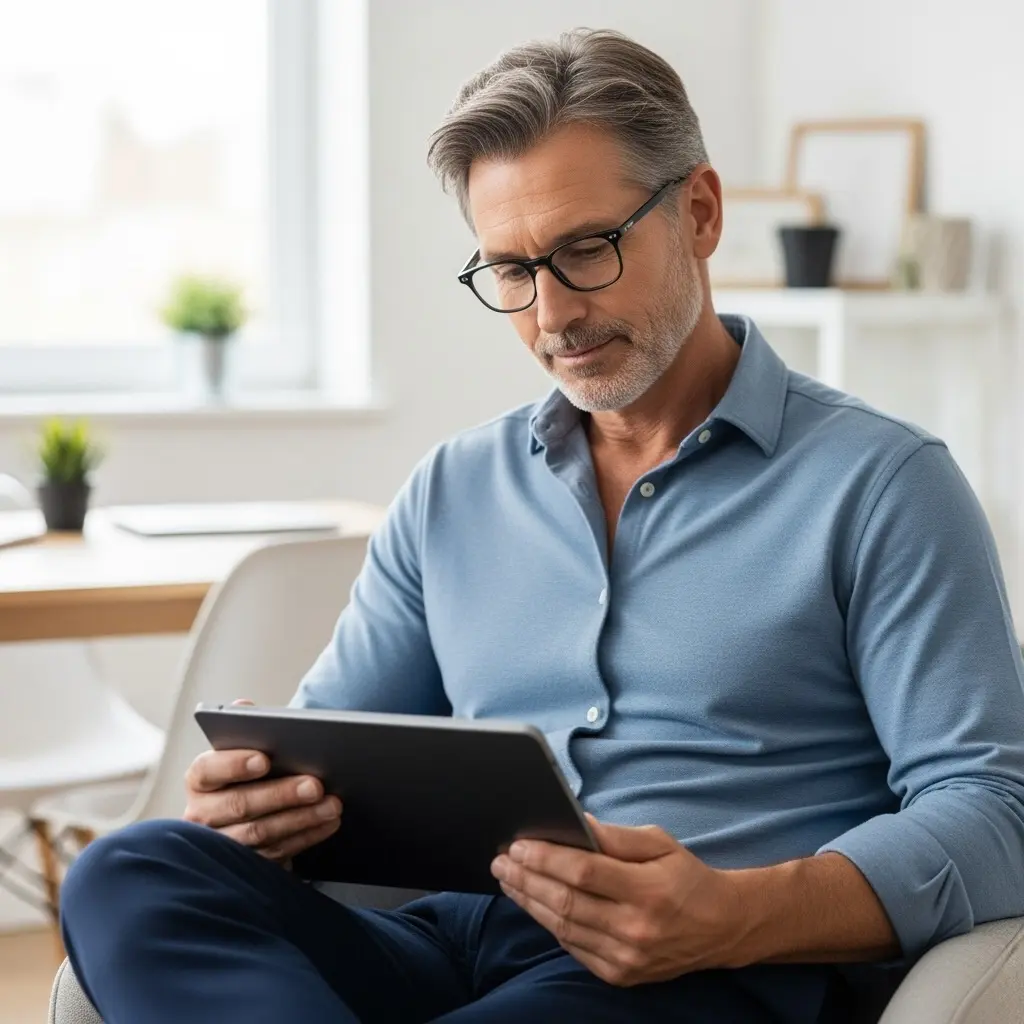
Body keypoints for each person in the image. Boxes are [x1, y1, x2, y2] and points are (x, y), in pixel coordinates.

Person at [60, 28, 1024, 1024]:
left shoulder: (882, 484)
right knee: (131, 871)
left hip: (704, 974)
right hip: (453, 937)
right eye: (510, 270)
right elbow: (329, 760)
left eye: (584, 250)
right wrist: (258, 807)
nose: (551, 313)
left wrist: (732, 913)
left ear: (698, 212)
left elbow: (997, 814)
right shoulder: (453, 488)